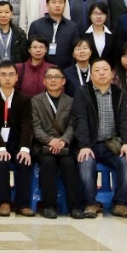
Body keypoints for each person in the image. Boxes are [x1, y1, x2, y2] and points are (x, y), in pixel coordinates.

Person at [72, 58, 127, 219]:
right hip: (90, 144)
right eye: (97, 70)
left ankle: (120, 203)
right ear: (91, 74)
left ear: (111, 73)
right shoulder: (82, 92)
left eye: (105, 69)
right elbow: (80, 120)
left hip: (112, 144)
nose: (101, 73)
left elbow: (126, 120)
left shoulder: (120, 93)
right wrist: (84, 145)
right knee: (86, 163)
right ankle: (90, 203)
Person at [29, 65, 85, 219]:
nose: (53, 80)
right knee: (48, 162)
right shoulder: (35, 101)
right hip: (43, 146)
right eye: (49, 77)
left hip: (64, 145)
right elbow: (35, 126)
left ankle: (75, 206)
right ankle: (49, 206)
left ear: (63, 81)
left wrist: (63, 140)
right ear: (44, 81)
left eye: (56, 77)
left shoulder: (71, 101)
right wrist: (50, 141)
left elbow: (73, 124)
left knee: (69, 163)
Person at [0, 61, 35, 217]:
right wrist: (0, 148)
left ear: (17, 77)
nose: (7, 78)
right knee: (1, 162)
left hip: (17, 143)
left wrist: (24, 149)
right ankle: (4, 202)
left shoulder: (25, 99)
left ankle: (23, 204)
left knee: (24, 161)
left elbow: (27, 125)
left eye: (11, 75)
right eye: (3, 75)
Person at [27, 0, 79, 67]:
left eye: (60, 2)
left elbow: (75, 50)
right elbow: (31, 49)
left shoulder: (72, 26)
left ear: (65, 5)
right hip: (41, 68)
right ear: (47, 5)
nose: (57, 5)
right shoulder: (36, 25)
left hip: (65, 69)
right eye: (53, 2)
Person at [80, 1, 121, 69]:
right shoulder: (83, 35)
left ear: (106, 16)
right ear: (90, 16)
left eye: (102, 13)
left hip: (109, 71)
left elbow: (117, 55)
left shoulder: (113, 35)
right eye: (95, 13)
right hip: (89, 71)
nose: (98, 16)